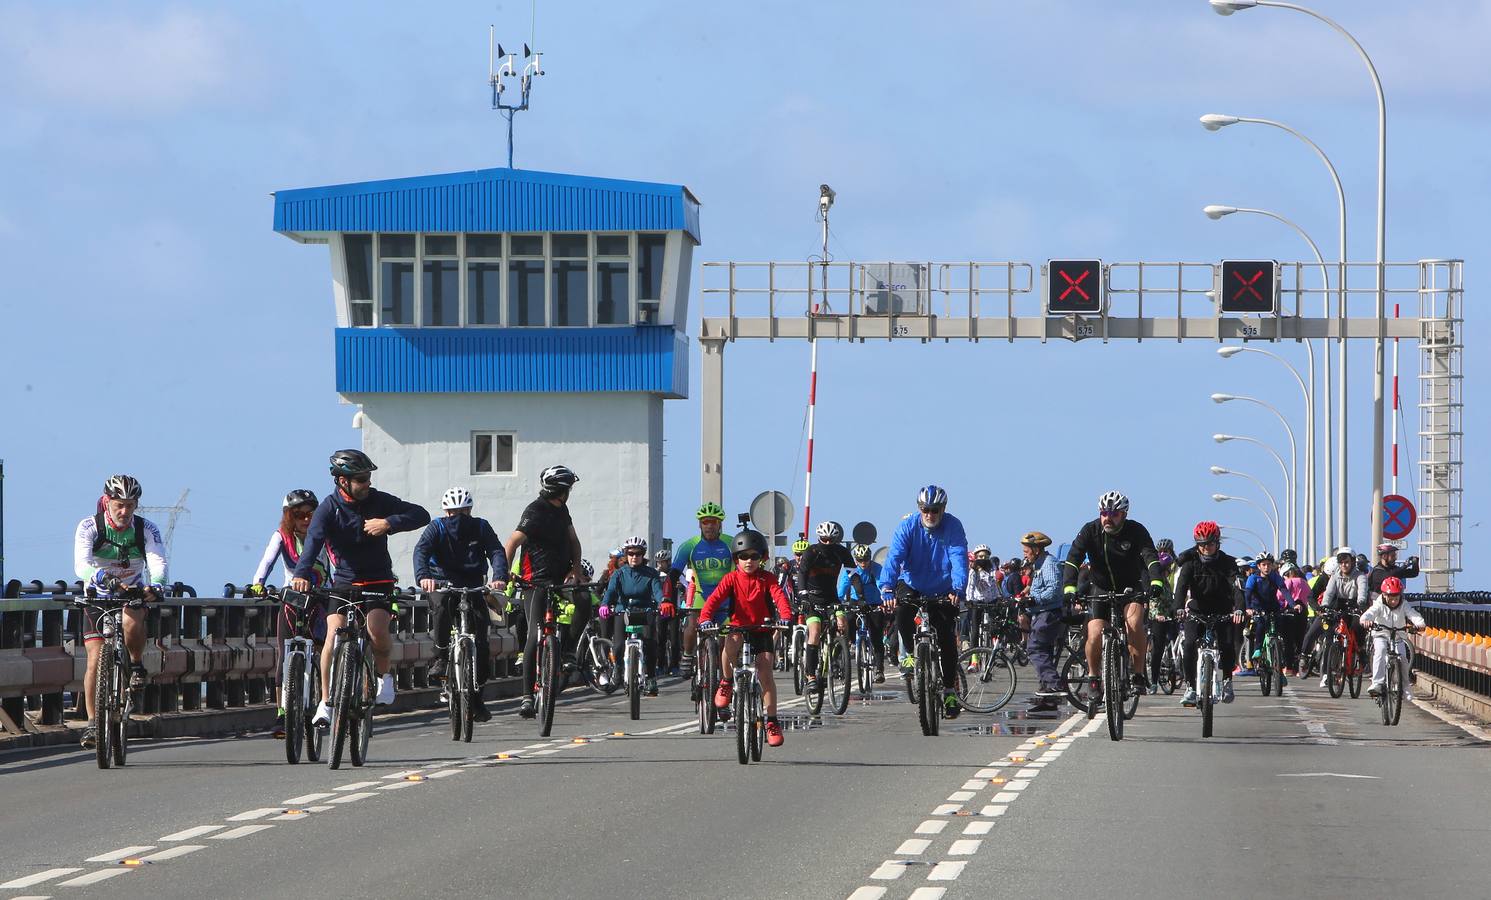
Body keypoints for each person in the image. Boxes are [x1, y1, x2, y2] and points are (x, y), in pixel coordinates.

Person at [293, 450, 431, 728]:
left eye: (368, 478)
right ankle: (326, 701)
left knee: (376, 631)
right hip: (344, 581)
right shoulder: (328, 509)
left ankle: (384, 678)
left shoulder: (379, 501)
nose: (367, 483)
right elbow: (313, 544)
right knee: (332, 637)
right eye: (361, 479)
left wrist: (390, 523)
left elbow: (421, 515)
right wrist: (301, 574)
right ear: (343, 481)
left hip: (378, 579)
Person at [73, 475, 169, 749]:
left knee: (130, 620)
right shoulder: (90, 526)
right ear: (107, 502)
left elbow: (158, 560)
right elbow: (81, 564)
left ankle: (136, 665)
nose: (124, 511)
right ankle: (93, 724)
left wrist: (158, 585)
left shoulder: (146, 528)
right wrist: (104, 578)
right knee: (94, 659)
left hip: (133, 591)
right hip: (99, 593)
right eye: (119, 505)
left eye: (130, 505)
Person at [414, 487, 508, 723]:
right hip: (442, 583)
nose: (458, 517)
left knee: (482, 644)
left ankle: (477, 697)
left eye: (462, 512)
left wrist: (500, 577)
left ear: (470, 510)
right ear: (446, 512)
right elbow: (421, 551)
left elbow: (496, 551)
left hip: (474, 584)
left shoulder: (481, 527)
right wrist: (424, 577)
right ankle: (441, 657)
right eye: (453, 512)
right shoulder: (436, 527)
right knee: (442, 607)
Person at [878, 485, 969, 721]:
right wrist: (886, 587)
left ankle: (949, 691)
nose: (930, 515)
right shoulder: (907, 527)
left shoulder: (953, 526)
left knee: (947, 639)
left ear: (943, 509)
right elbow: (894, 557)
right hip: (912, 583)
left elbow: (958, 558)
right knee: (902, 614)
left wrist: (958, 588)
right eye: (925, 510)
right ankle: (908, 653)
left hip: (943, 587)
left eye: (935, 510)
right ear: (919, 509)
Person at [502, 464, 586, 720]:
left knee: (583, 600)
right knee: (534, 635)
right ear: (562, 490)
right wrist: (505, 572)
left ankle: (569, 651)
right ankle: (527, 696)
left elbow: (573, 541)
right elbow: (512, 542)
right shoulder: (535, 510)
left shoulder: (563, 510)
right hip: (535, 580)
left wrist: (576, 570)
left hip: (561, 578)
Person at [1062, 490, 1164, 699]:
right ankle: (1093, 678)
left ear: (1123, 515)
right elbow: (1073, 559)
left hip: (1130, 587)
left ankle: (1137, 674)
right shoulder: (1090, 530)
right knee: (1094, 632)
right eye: (1104, 513)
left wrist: (1156, 581)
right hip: (1100, 587)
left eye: (1113, 513)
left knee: (1134, 625)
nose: (1107, 518)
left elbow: (1150, 557)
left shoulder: (1136, 530)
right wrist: (1069, 588)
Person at [699, 529, 793, 747]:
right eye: (743, 556)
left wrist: (786, 617)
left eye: (754, 556)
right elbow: (713, 601)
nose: (748, 561)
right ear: (736, 559)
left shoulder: (767, 578)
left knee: (765, 671)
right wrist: (705, 618)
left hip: (762, 629)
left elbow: (780, 599)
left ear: (762, 558)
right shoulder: (730, 579)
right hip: (739, 627)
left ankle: (771, 721)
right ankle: (726, 681)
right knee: (729, 645)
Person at [250, 489, 330, 739]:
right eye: (299, 515)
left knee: (327, 647)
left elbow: (337, 562)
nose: (305, 520)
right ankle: (283, 712)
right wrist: (257, 583)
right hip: (293, 598)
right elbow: (266, 562)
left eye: (310, 514)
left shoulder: (325, 535)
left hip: (323, 597)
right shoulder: (281, 536)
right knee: (285, 654)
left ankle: (328, 700)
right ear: (289, 516)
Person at [1173, 522, 1243, 707]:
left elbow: (1237, 589)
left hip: (1222, 609)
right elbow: (1181, 588)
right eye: (1202, 544)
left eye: (1210, 544)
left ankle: (1227, 680)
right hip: (1197, 610)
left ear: (1217, 543)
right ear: (1197, 544)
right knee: (1188, 645)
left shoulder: (1228, 563)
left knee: (1227, 645)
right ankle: (1190, 687)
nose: (1206, 548)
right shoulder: (1190, 564)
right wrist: (1178, 608)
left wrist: (1239, 609)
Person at [671, 502, 734, 679]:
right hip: (701, 597)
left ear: (720, 524)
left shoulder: (731, 543)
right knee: (691, 624)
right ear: (700, 524)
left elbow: (744, 572)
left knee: (726, 641)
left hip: (726, 600)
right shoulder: (689, 545)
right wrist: (667, 599)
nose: (709, 526)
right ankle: (688, 656)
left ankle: (724, 681)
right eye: (705, 522)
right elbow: (673, 575)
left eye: (714, 522)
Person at [601, 536, 666, 696]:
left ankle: (651, 678)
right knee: (617, 646)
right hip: (623, 610)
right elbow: (610, 591)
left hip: (645, 610)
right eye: (630, 553)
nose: (634, 557)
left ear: (643, 554)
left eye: (638, 553)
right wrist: (604, 604)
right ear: (626, 554)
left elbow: (657, 591)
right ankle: (617, 670)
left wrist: (663, 602)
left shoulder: (651, 573)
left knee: (651, 644)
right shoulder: (619, 573)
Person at [796, 520, 855, 693]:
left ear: (836, 539)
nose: (827, 543)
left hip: (831, 598)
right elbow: (802, 575)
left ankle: (836, 657)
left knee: (842, 622)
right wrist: (803, 596)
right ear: (819, 537)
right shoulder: (811, 551)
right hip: (812, 599)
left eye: (831, 540)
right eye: (824, 539)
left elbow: (853, 575)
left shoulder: (841, 552)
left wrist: (862, 597)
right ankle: (810, 676)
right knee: (815, 630)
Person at [1306, 549, 1371, 689]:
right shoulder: (1335, 576)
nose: (1344, 565)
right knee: (1332, 630)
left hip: (1355, 605)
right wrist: (1324, 607)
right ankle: (1332, 665)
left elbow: (1362, 592)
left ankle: (1360, 650)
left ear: (1352, 562)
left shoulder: (1360, 576)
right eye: (1341, 563)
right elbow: (1329, 594)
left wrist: (1360, 604)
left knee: (1356, 626)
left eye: (1347, 562)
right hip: (1339, 605)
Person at [1020, 532, 1066, 711]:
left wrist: (1034, 599)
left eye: (1026, 550)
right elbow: (1041, 587)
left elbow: (1054, 590)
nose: (1024, 553)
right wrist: (1027, 594)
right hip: (1040, 613)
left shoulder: (1049, 563)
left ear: (1036, 549)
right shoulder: (1038, 565)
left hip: (1049, 613)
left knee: (1034, 648)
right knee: (1045, 653)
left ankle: (1054, 684)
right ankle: (1048, 700)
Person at [1361, 577, 1424, 701]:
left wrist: (1420, 624)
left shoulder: (1404, 605)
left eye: (1396, 597)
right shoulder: (1379, 604)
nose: (1394, 601)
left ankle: (1405, 687)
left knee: (1403, 659)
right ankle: (1377, 683)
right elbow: (1370, 613)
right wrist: (1365, 620)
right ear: (1384, 595)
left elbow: (1413, 614)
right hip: (1381, 634)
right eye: (1390, 597)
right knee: (1380, 652)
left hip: (1398, 636)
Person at [837, 543, 886, 681]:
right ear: (855, 560)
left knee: (877, 636)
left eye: (866, 559)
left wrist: (885, 599)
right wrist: (837, 603)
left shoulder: (876, 568)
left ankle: (879, 669)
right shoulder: (851, 570)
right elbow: (842, 590)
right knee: (849, 621)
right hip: (856, 601)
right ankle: (852, 643)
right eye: (860, 560)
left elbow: (880, 584)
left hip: (874, 603)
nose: (863, 563)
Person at [1243, 553, 1288, 686]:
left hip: (1273, 607)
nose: (1267, 567)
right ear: (1259, 566)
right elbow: (1248, 594)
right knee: (1261, 625)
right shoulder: (1253, 578)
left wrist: (1293, 605)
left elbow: (1284, 591)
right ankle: (1258, 650)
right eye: (1264, 564)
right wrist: (1248, 608)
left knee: (1282, 628)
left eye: (1269, 564)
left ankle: (1280, 666)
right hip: (1258, 608)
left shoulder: (1275, 576)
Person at [1146, 541, 1179, 695]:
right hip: (1156, 618)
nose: (1167, 573)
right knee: (1157, 650)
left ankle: (1176, 668)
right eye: (1165, 570)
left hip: (1168, 617)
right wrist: (1157, 615)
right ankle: (1153, 681)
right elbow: (1153, 602)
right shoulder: (1155, 583)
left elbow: (1171, 601)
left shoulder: (1166, 584)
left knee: (1175, 639)